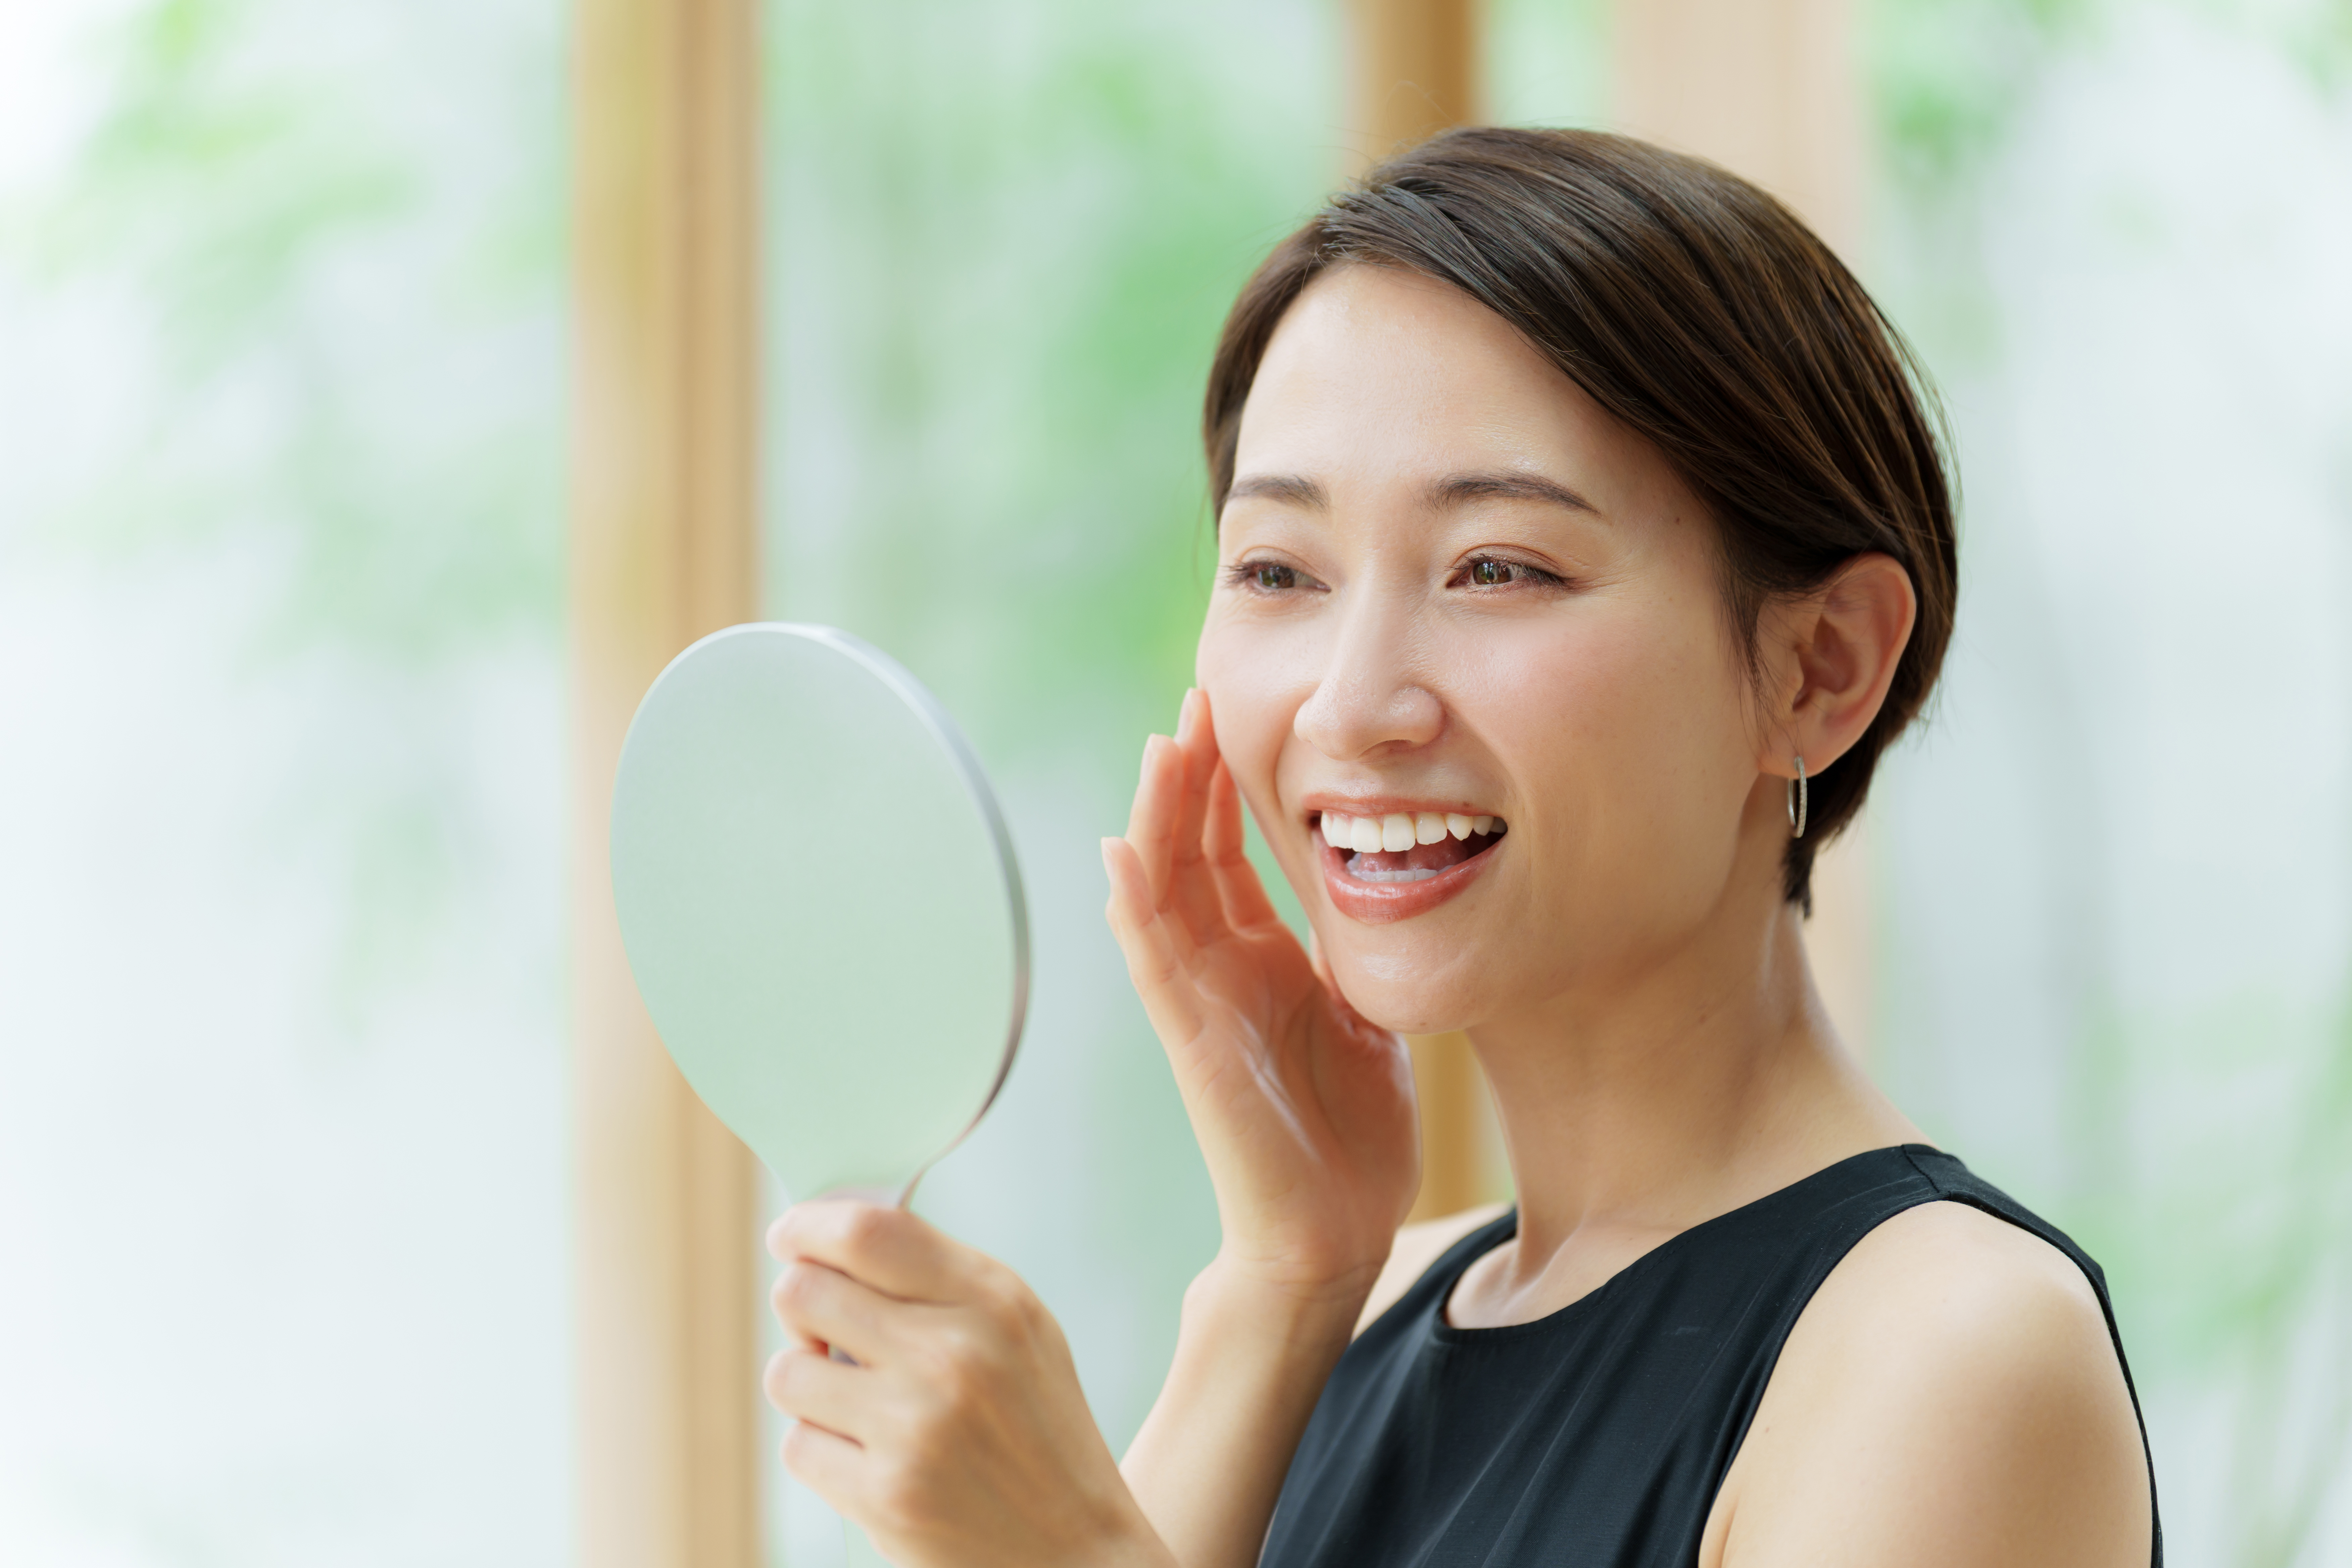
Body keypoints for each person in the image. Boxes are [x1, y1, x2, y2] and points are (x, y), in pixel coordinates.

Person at [759, 127, 2161, 1568]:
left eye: (1497, 568)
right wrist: (1283, 1273)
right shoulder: (1358, 1305)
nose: (1351, 705)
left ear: (1820, 668)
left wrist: (1063, 1545)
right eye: (1278, 571)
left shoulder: (1949, 1351)